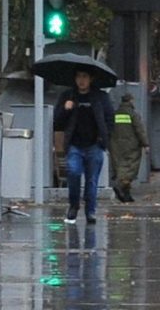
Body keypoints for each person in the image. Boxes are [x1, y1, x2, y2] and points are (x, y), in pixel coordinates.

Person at [54, 67, 114, 224]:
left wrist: (103, 139)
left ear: (91, 79)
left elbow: (109, 119)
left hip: (94, 145)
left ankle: (90, 211)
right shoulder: (67, 96)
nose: (81, 80)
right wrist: (66, 109)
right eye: (78, 76)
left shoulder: (101, 97)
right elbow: (57, 123)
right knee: (73, 173)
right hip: (74, 145)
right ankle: (74, 205)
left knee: (92, 180)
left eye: (85, 76)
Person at [109, 93, 149, 203]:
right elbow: (140, 130)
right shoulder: (133, 114)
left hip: (115, 145)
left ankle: (126, 195)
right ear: (131, 100)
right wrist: (145, 144)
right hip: (131, 145)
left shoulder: (115, 114)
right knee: (130, 168)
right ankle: (120, 186)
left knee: (119, 166)